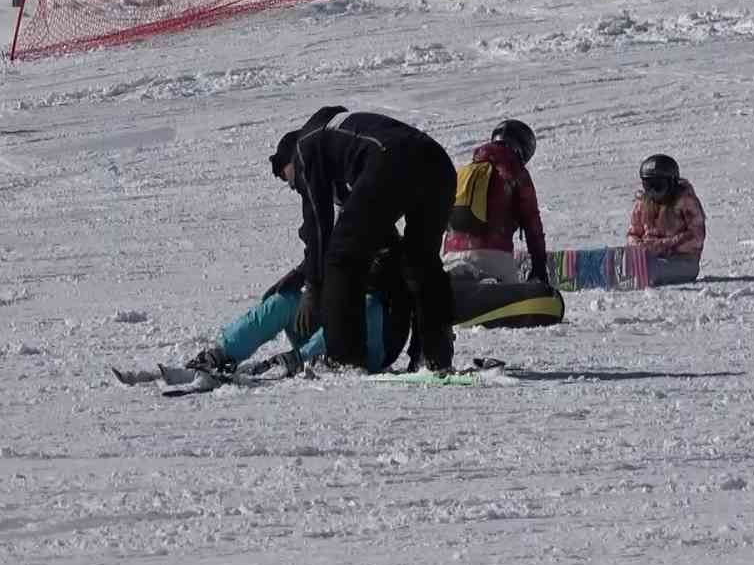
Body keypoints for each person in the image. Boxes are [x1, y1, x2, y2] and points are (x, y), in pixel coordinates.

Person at [268, 108, 457, 372]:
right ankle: (433, 355)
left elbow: (319, 227)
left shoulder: (304, 147)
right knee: (421, 261)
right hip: (438, 163)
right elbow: (371, 230)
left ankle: (344, 358)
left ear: (288, 160)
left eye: (285, 177)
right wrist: (303, 272)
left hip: (392, 159)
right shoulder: (343, 139)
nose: (292, 185)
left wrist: (313, 287)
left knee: (342, 258)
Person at [181, 246, 415, 379]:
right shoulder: (346, 234)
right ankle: (223, 354)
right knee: (286, 301)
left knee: (365, 305)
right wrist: (300, 277)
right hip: (328, 336)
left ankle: (301, 358)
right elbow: (324, 256)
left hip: (369, 349)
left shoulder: (392, 251)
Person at [442, 120, 548, 284]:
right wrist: (539, 266)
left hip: (451, 257)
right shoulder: (515, 171)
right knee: (513, 306)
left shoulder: (467, 171)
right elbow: (531, 221)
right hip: (493, 258)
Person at [626, 154, 707, 286]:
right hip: (650, 258)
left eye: (658, 186)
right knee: (635, 263)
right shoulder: (643, 203)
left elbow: (696, 237)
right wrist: (639, 248)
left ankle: (638, 273)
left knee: (652, 268)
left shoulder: (686, 201)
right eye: (648, 186)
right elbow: (633, 233)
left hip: (683, 262)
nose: (653, 192)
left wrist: (662, 246)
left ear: (671, 183)